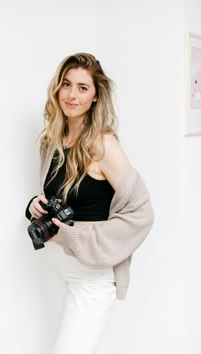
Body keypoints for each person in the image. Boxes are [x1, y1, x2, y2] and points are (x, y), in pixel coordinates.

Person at [25, 53, 154, 354]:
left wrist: (71, 235)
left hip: (91, 276)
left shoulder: (103, 144)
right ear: (57, 89)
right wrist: (34, 204)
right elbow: (64, 199)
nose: (72, 94)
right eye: (66, 84)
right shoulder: (51, 141)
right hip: (56, 269)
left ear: (96, 96)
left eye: (83, 88)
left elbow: (141, 213)